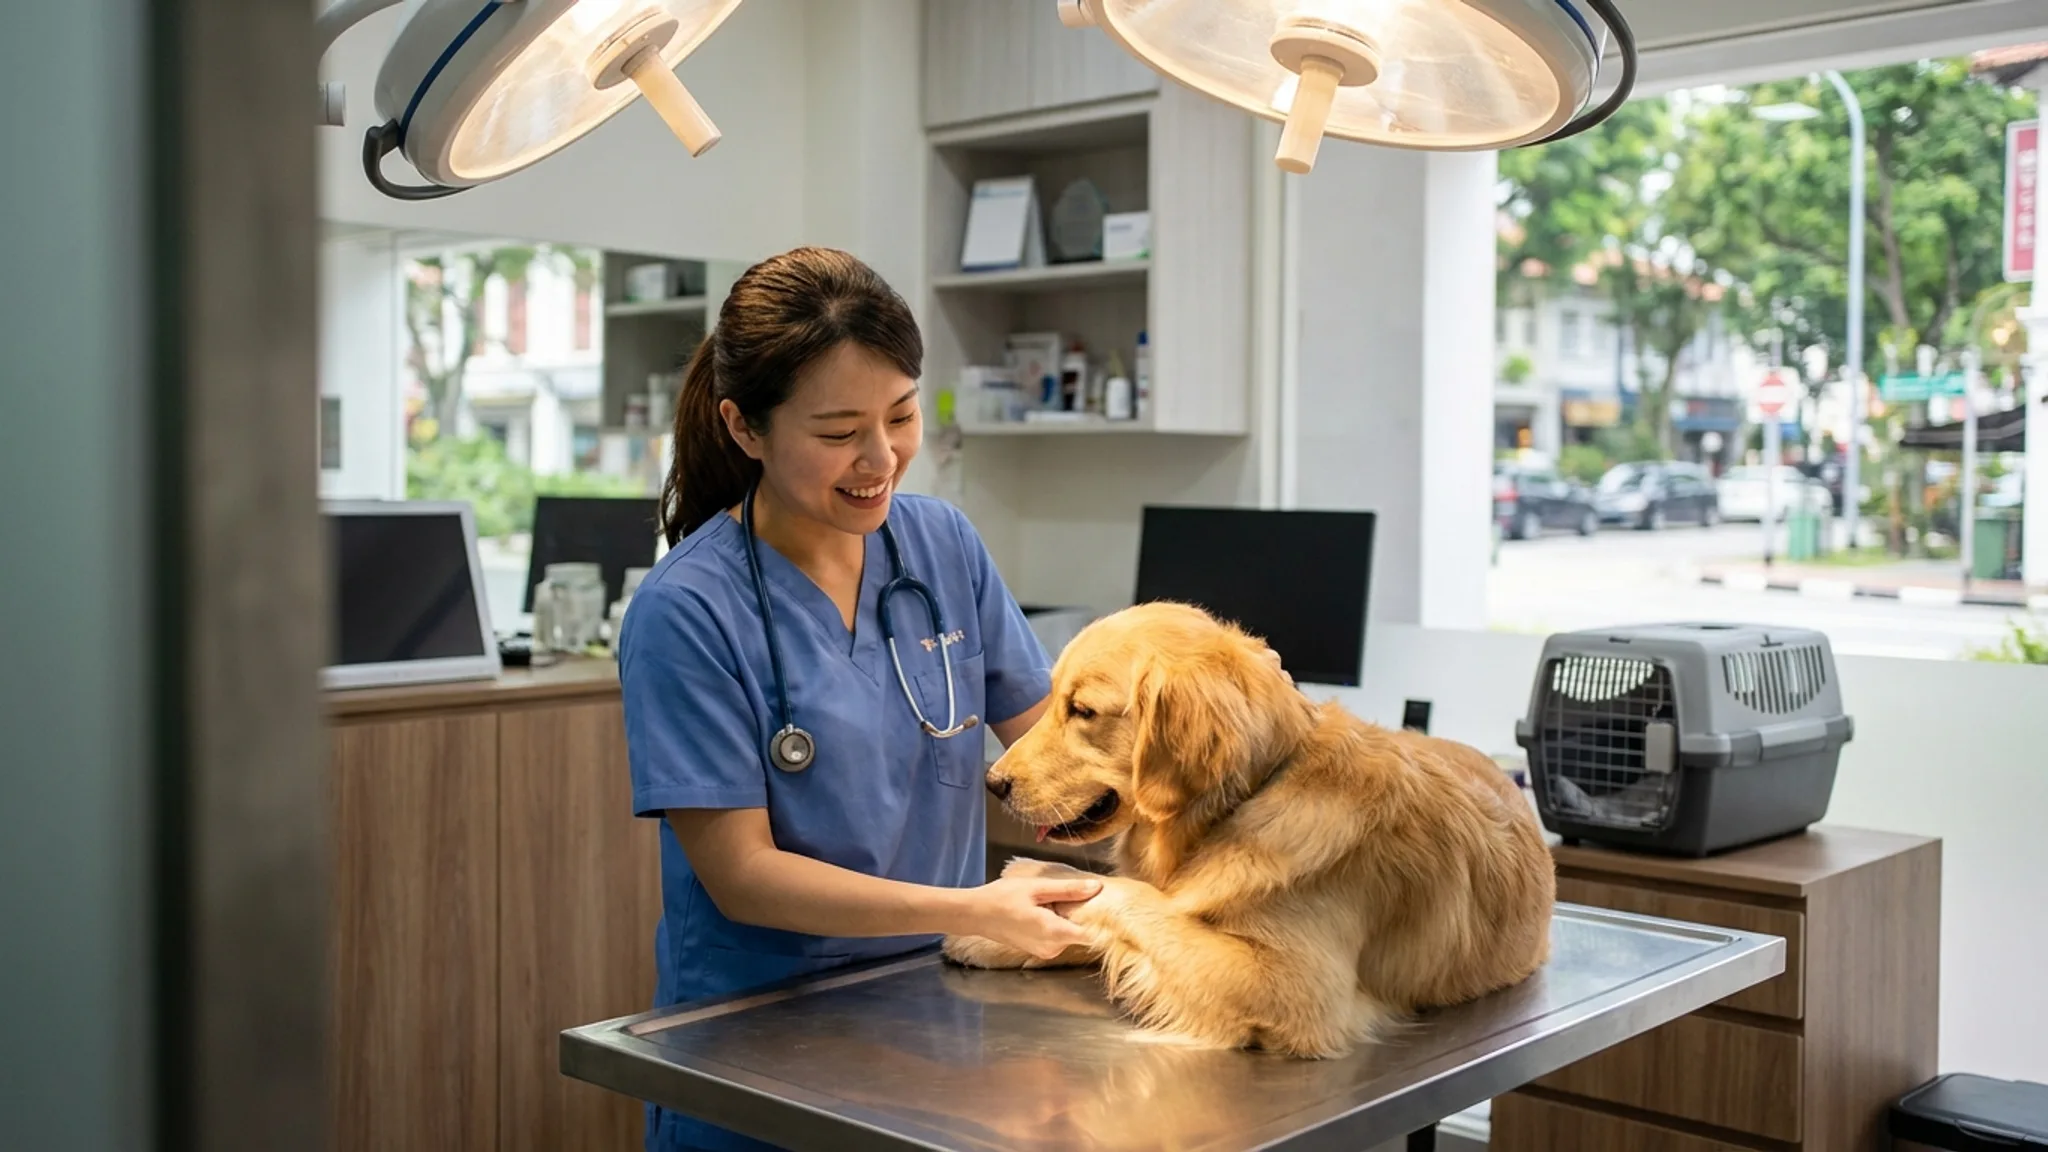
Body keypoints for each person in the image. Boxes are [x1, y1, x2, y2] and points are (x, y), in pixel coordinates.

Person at [616, 246, 1103, 1152]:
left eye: (902, 414)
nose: (881, 458)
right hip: (757, 1050)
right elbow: (742, 874)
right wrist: (970, 908)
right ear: (745, 426)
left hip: (935, 1023)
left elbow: (1061, 749)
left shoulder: (940, 544)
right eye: (839, 432)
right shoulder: (687, 611)